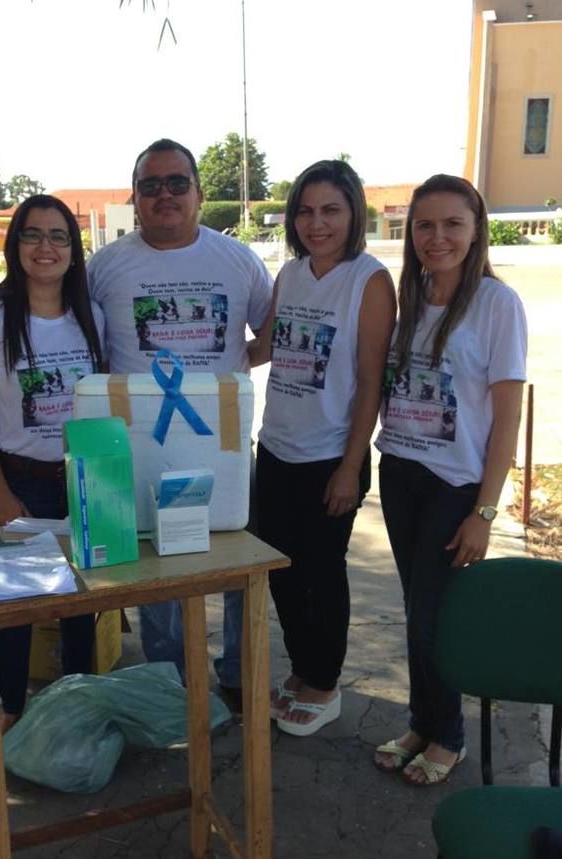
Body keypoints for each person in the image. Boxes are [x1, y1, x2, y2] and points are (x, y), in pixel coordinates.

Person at [87, 138, 273, 708]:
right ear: (136, 198)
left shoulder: (237, 259)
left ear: (198, 192)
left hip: (221, 443)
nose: (164, 194)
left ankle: (239, 675)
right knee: (157, 572)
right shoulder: (106, 266)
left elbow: (269, 333)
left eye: (176, 183)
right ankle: (172, 683)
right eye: (150, 185)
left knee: (239, 562)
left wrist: (222, 377)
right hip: (142, 445)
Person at [373, 174, 527, 784]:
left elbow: (508, 415)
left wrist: (484, 513)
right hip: (400, 471)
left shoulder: (496, 304)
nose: (437, 237)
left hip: (454, 483)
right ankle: (422, 722)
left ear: (475, 230)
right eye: (424, 225)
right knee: (416, 607)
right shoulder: (409, 298)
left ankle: (450, 736)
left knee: (435, 614)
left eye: (451, 224)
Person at [251, 159, 396, 737]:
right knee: (281, 572)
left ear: (353, 212)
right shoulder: (290, 274)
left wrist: (350, 467)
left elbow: (370, 381)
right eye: (306, 211)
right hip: (277, 449)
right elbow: (265, 348)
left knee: (320, 572)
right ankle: (304, 669)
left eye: (330, 210)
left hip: (331, 458)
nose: (317, 223)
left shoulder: (369, 280)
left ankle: (325, 683)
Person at [0, 194, 104, 732]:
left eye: (59, 236)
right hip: (18, 480)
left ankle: (79, 701)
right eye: (33, 235)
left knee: (82, 602)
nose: (46, 247)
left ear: (73, 249)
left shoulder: (93, 317)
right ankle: (10, 708)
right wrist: (0, 493)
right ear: (15, 246)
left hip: (83, 478)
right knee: (13, 607)